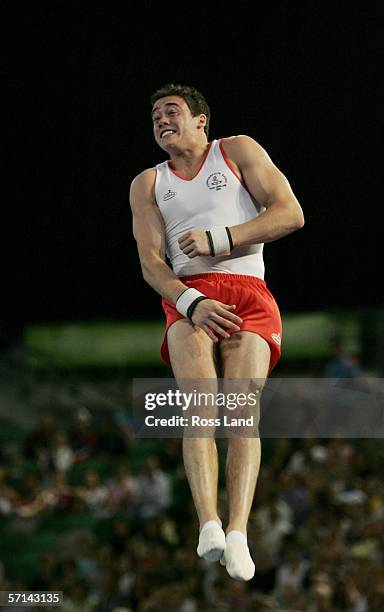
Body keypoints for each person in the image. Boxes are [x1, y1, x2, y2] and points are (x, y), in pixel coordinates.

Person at [130, 84, 304, 581]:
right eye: (155, 115)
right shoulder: (148, 183)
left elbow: (290, 213)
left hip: (249, 289)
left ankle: (238, 532)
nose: (161, 119)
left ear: (201, 120)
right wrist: (193, 302)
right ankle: (208, 521)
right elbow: (150, 263)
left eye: (172, 111)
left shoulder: (236, 151)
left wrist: (222, 238)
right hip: (189, 296)